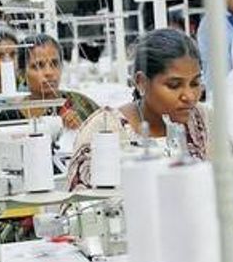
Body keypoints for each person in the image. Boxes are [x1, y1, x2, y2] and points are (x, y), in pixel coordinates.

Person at [66, 28, 209, 190]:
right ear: (141, 82)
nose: (189, 96)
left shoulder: (201, 118)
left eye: (195, 83)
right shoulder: (104, 129)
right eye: (174, 85)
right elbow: (80, 202)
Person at [0, 33, 98, 129]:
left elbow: (103, 129)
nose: (49, 72)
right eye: (38, 66)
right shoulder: (9, 117)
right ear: (22, 73)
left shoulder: (81, 105)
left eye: (55, 63)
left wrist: (79, 129)